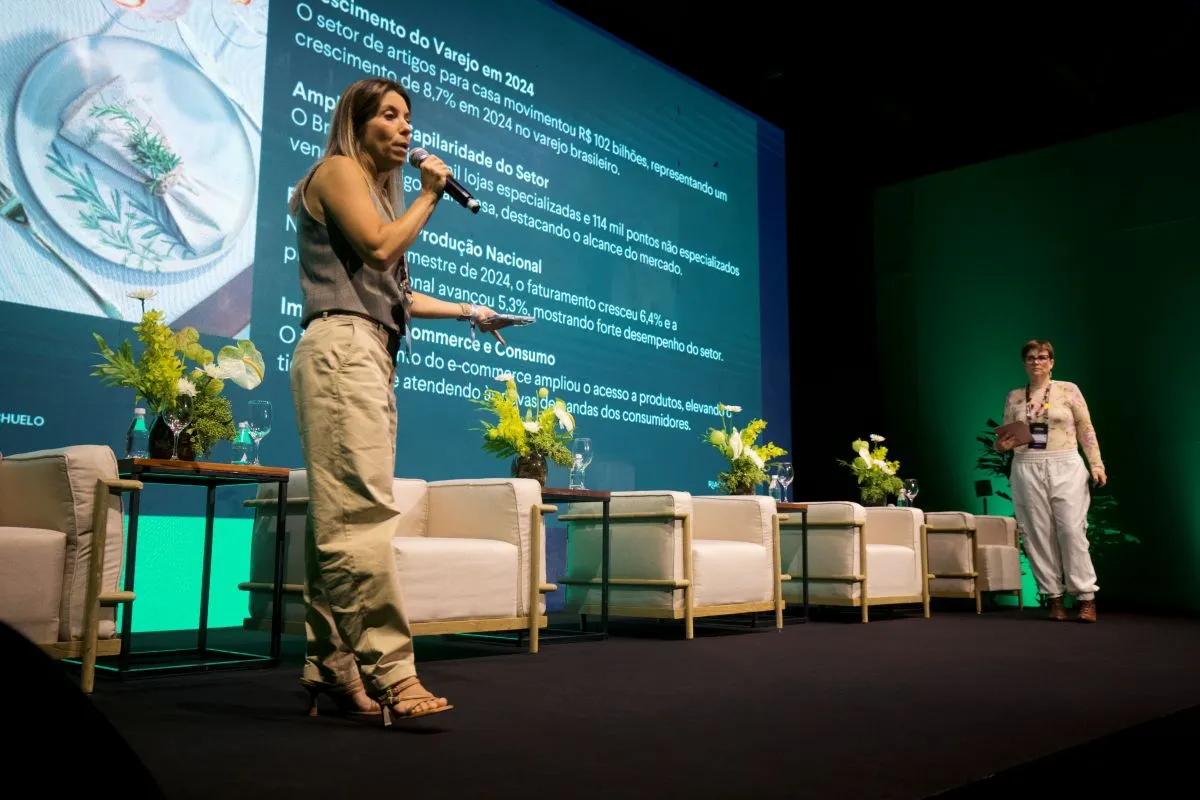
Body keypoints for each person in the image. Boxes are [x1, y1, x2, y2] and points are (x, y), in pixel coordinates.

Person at [287, 77, 517, 724]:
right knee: (358, 520)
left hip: (370, 354)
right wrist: (429, 194)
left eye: (408, 118)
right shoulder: (335, 170)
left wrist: (474, 311)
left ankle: (329, 668)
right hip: (341, 350)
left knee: (338, 521)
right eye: (389, 116)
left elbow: (397, 295)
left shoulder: (375, 200)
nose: (405, 128)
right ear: (356, 125)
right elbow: (383, 249)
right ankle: (393, 673)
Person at [995, 340, 1107, 623]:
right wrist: (1002, 446)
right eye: (1031, 358)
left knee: (1071, 530)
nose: (1037, 362)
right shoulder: (1014, 397)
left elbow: (1085, 427)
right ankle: (1054, 597)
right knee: (1036, 533)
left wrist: (1096, 463)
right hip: (1027, 465)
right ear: (1024, 363)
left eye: (1043, 357)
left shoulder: (1068, 390)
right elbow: (1003, 439)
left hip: (1065, 462)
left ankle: (1085, 597)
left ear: (1052, 362)